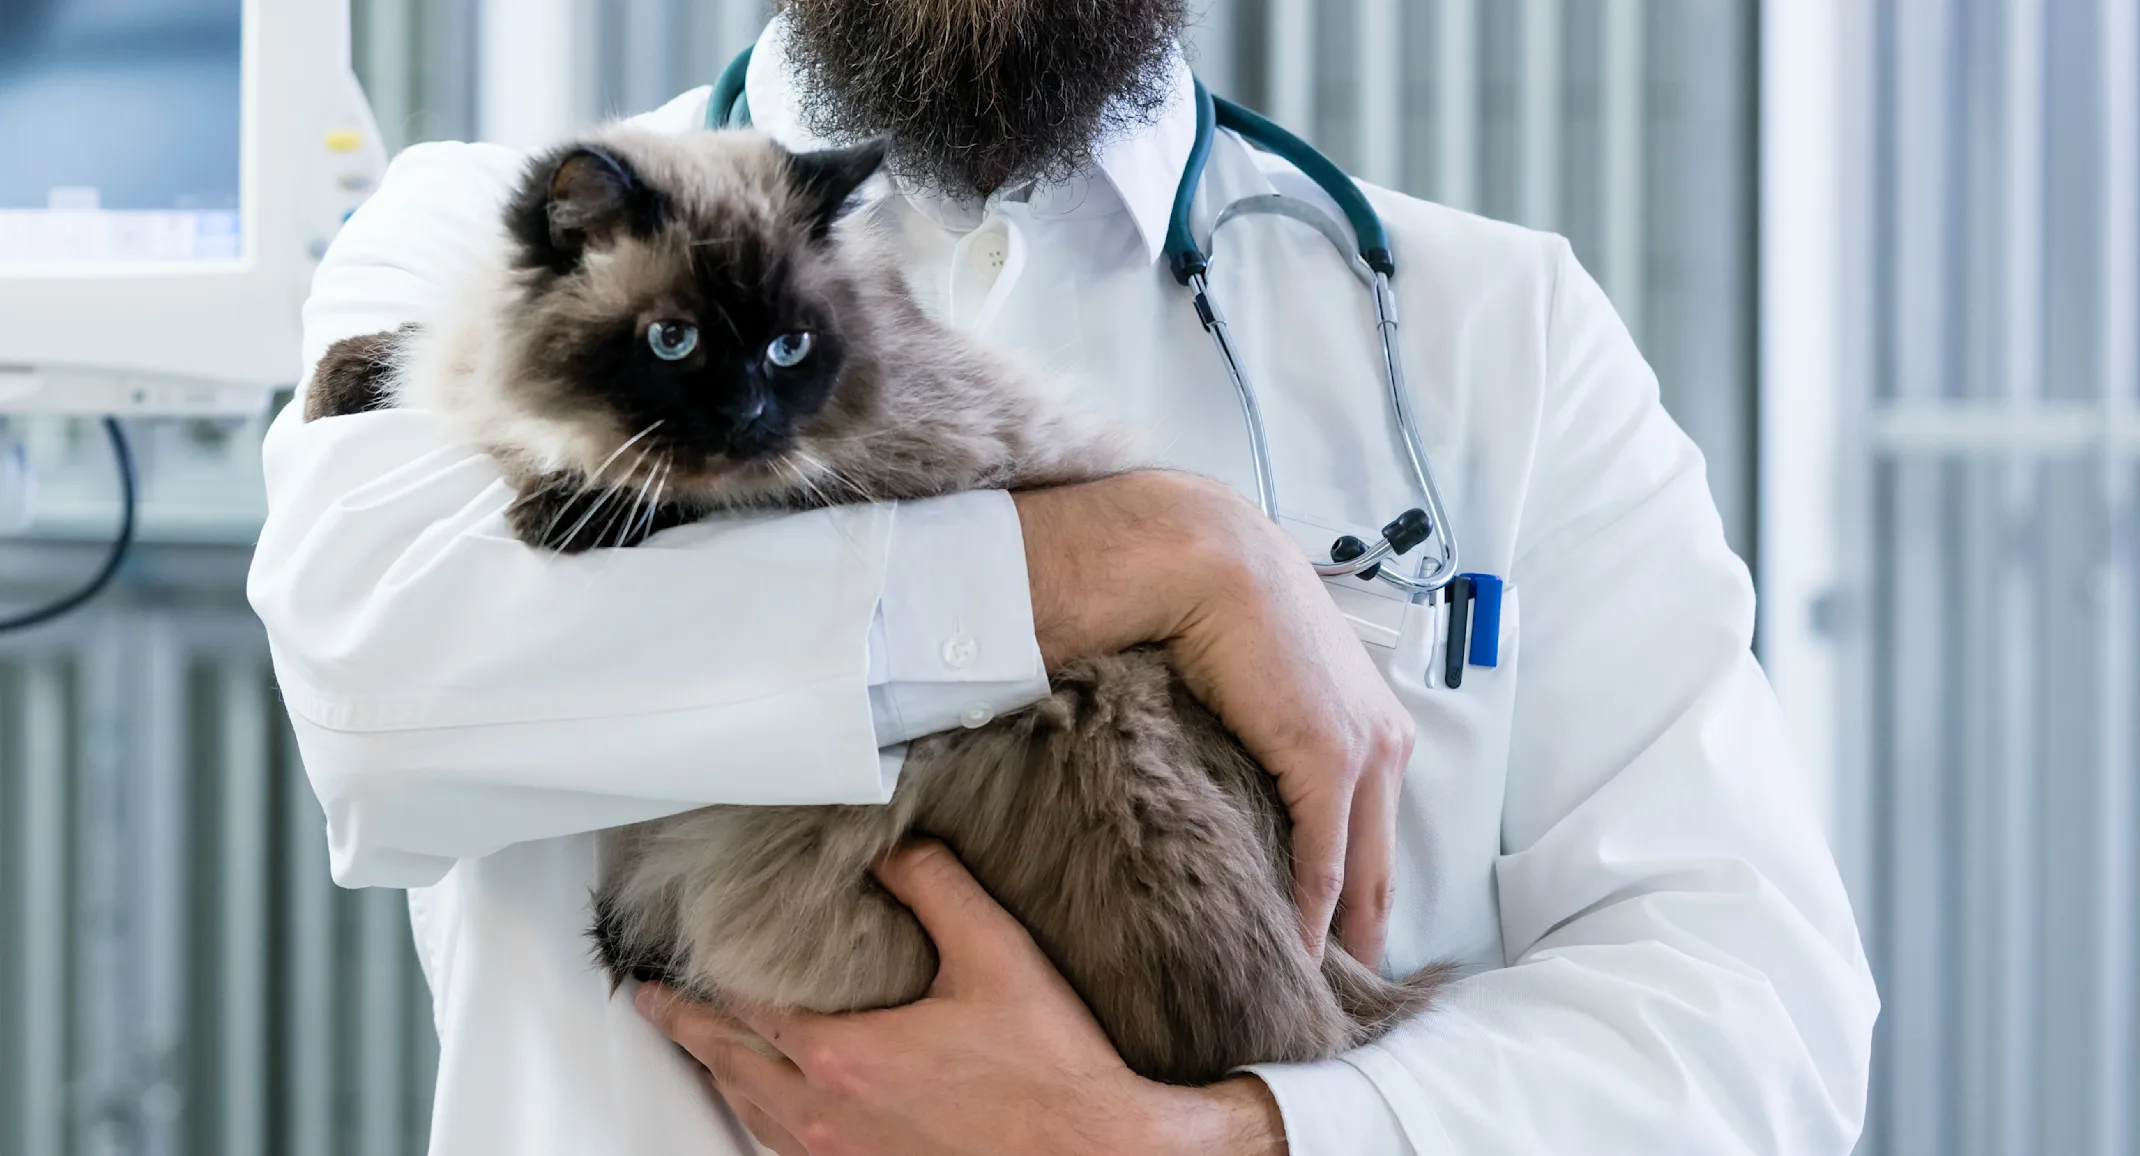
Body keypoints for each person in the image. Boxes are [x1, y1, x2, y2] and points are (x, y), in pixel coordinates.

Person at [248, 2, 1879, 1153]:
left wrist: (1223, 1143)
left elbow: (1755, 1018)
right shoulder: (479, 228)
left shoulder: (1492, 325)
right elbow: (374, 687)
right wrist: (1151, 556)